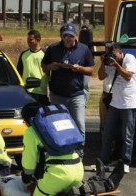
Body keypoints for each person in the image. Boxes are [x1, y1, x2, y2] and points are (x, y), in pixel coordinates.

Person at [41, 22, 95, 158]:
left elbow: (91, 70)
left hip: (77, 95)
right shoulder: (53, 48)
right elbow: (44, 66)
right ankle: (59, 153)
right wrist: (51, 66)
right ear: (61, 36)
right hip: (58, 95)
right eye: (65, 35)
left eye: (70, 36)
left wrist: (79, 68)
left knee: (80, 125)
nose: (68, 38)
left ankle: (79, 155)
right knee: (58, 126)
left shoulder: (83, 49)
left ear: (75, 36)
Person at [21, 102, 84, 196]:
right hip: (78, 169)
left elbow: (29, 159)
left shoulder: (31, 132)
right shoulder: (54, 126)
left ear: (27, 120)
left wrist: (26, 177)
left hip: (58, 175)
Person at [99, 42, 136, 174]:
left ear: (120, 51)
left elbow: (128, 76)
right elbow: (100, 76)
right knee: (107, 134)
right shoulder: (108, 61)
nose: (112, 56)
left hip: (129, 104)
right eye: (110, 53)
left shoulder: (129, 58)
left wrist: (116, 64)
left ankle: (125, 163)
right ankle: (104, 162)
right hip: (115, 103)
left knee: (127, 135)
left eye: (114, 54)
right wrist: (102, 62)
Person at [17, 29, 50, 106]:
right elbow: (19, 72)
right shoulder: (24, 54)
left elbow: (50, 72)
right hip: (26, 91)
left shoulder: (45, 53)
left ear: (38, 39)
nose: (28, 41)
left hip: (40, 91)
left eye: (30, 39)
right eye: (27, 39)